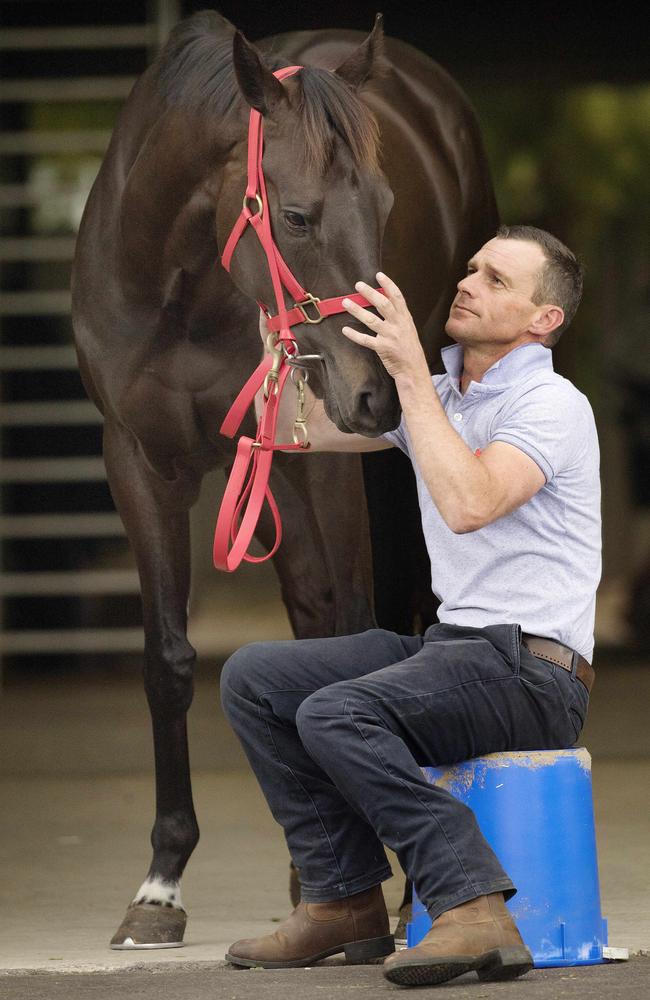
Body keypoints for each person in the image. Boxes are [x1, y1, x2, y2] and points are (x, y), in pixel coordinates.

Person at [220, 225, 601, 987]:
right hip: (453, 649)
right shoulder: (447, 391)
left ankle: (472, 902)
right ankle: (343, 901)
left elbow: (470, 502)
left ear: (542, 320)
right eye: (471, 268)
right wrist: (280, 347)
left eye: (496, 279)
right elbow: (304, 429)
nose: (467, 283)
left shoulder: (551, 403)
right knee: (255, 679)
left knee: (336, 713)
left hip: (532, 670)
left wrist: (414, 379)